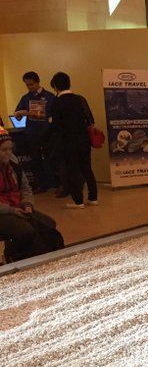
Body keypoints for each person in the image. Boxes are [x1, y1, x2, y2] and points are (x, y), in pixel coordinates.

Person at [0, 127, 62, 262]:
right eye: (4, 150)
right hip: (3, 211)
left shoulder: (14, 165)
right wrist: (11, 210)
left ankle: (30, 257)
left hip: (17, 207)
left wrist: (27, 204)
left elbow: (25, 188)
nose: (8, 153)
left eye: (10, 149)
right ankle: (12, 256)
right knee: (26, 230)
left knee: (48, 224)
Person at [50, 72, 98, 209]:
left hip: (68, 142)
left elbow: (56, 126)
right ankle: (93, 197)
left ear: (55, 86)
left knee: (72, 171)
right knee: (87, 169)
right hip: (83, 140)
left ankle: (78, 201)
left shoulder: (57, 103)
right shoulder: (79, 99)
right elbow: (90, 120)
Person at [14, 71, 57, 192]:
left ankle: (55, 183)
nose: (30, 87)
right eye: (27, 85)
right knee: (35, 160)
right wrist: (19, 114)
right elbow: (17, 114)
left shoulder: (49, 97)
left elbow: (55, 116)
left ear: (38, 82)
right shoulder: (25, 98)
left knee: (51, 158)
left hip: (47, 133)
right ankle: (40, 185)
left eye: (31, 84)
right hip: (31, 133)